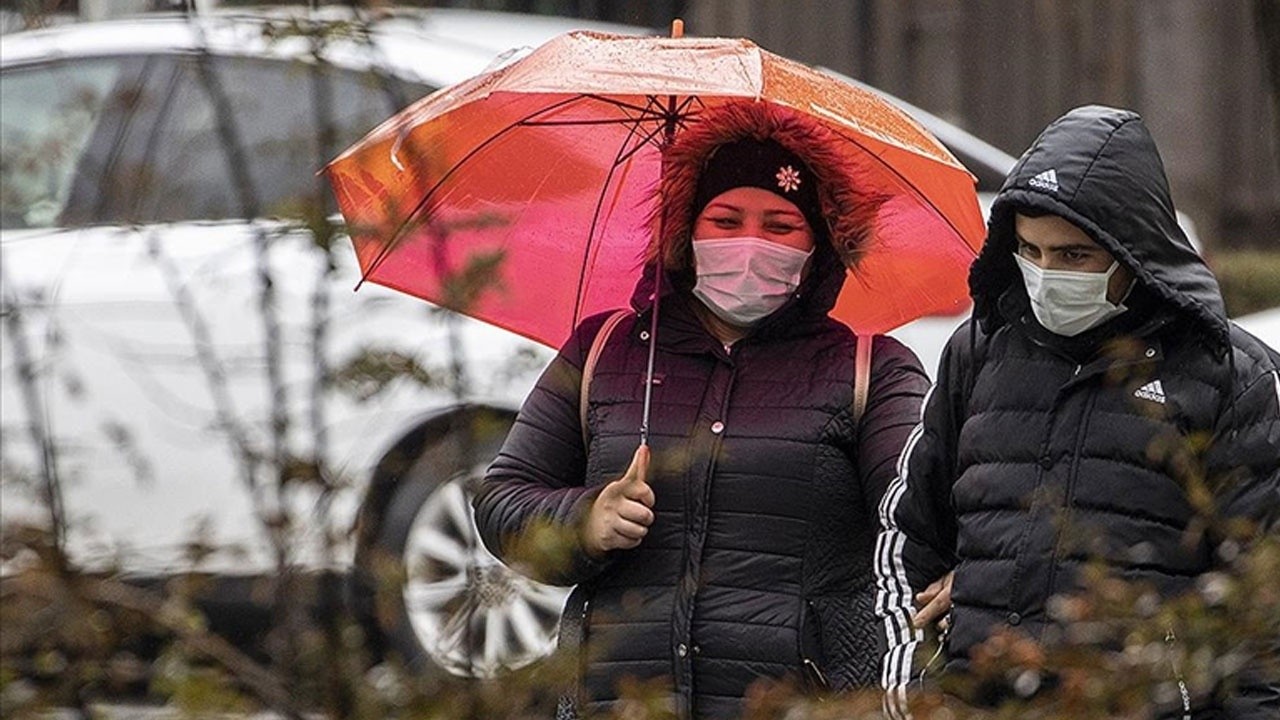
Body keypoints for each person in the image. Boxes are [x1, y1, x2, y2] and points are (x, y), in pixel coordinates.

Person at [473, 101, 932, 719]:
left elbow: (922, 514)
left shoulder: (869, 371)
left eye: (780, 226)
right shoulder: (604, 352)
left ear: (818, 245)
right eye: (725, 219)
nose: (749, 243)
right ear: (684, 232)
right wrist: (582, 519)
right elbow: (502, 499)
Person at [875, 105, 1280, 719]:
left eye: (1074, 257)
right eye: (1029, 251)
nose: (1044, 275)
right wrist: (916, 694)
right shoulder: (979, 350)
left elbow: (1262, 613)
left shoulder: (1233, 379)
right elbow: (906, 541)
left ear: (1135, 253)